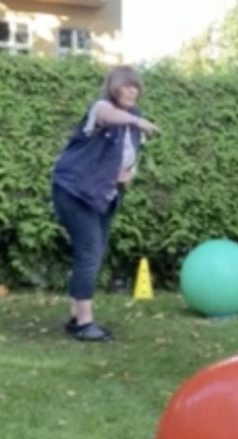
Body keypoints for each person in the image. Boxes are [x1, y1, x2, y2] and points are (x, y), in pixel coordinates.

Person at [51, 65, 159, 342]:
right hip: (74, 190)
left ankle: (76, 315)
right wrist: (135, 122)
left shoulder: (133, 120)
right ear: (114, 88)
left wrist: (128, 174)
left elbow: (130, 158)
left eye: (136, 87)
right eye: (127, 85)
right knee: (89, 250)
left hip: (103, 195)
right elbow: (108, 116)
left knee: (93, 252)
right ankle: (85, 323)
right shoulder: (102, 108)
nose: (133, 90)